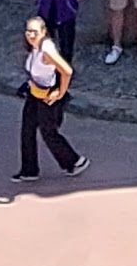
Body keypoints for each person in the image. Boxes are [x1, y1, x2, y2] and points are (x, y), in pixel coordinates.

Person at [13, 14, 88, 181]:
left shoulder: (47, 51)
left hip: (47, 95)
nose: (30, 35)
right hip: (34, 93)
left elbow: (67, 71)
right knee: (27, 129)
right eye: (28, 32)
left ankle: (74, 161)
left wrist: (60, 93)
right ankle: (29, 170)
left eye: (34, 32)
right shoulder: (34, 47)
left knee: (48, 132)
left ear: (43, 32)